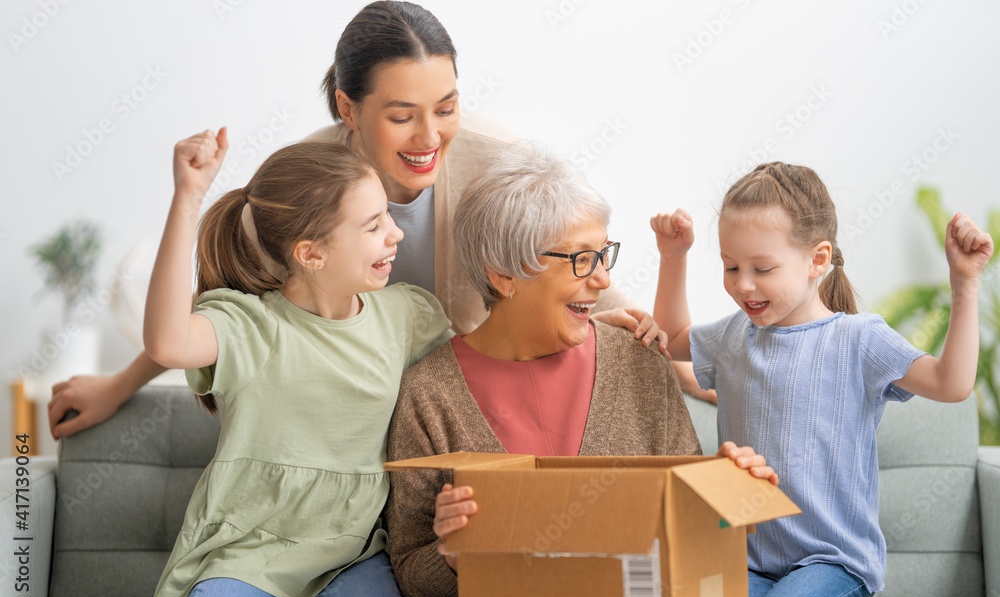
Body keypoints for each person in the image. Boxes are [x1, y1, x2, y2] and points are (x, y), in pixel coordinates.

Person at [48, 0, 709, 439]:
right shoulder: (304, 175)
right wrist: (122, 382)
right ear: (348, 106)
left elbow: (571, 259)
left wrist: (683, 364)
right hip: (344, 415)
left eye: (445, 106)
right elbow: (226, 293)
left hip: (457, 406)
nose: (430, 135)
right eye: (401, 115)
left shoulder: (495, 157)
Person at [385, 142, 778, 597]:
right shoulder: (429, 394)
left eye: (603, 253)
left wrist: (731, 495)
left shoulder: (638, 361)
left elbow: (688, 534)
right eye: (581, 259)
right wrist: (454, 557)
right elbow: (411, 580)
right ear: (504, 273)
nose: (604, 279)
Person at [651, 161, 994, 597]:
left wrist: (965, 285)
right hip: (747, 556)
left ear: (817, 260)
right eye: (731, 267)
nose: (744, 285)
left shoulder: (859, 340)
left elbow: (952, 384)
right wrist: (673, 257)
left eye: (762, 269)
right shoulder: (731, 337)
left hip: (834, 561)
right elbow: (673, 342)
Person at [143, 127, 453, 597]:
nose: (395, 236)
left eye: (389, 218)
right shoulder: (248, 325)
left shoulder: (406, 315)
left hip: (358, 548)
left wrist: (591, 338)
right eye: (374, 225)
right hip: (251, 548)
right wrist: (187, 197)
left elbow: (487, 364)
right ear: (311, 253)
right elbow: (168, 341)